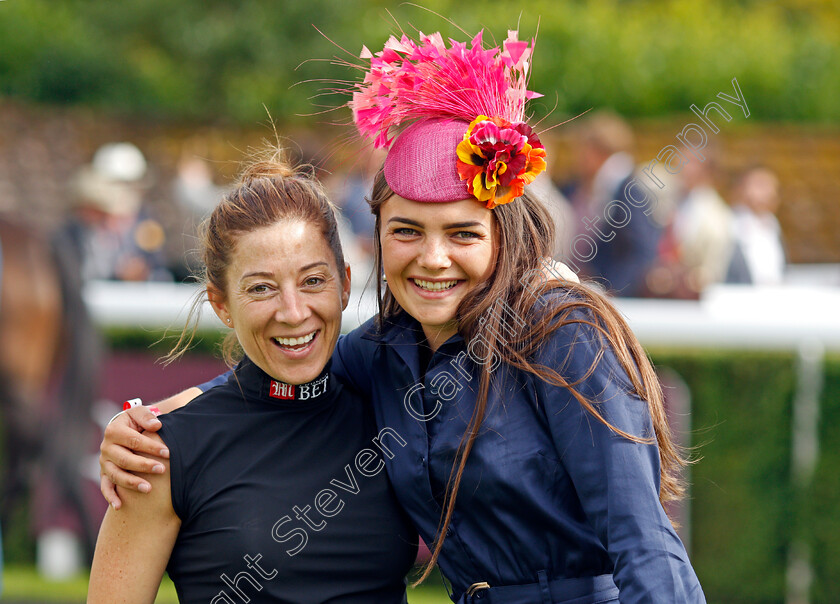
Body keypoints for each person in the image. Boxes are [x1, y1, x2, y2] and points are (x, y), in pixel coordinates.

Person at [100, 29, 705, 603]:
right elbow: (279, 365)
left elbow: (645, 543)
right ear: (379, 238)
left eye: (462, 233)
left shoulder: (563, 334)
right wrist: (144, 424)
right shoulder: (387, 350)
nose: (433, 259)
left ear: (502, 235)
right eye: (407, 231)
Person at [88, 153, 418, 603]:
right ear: (221, 303)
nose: (294, 311)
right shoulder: (155, 452)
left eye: (313, 281)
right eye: (261, 288)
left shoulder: (392, 411)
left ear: (344, 283)